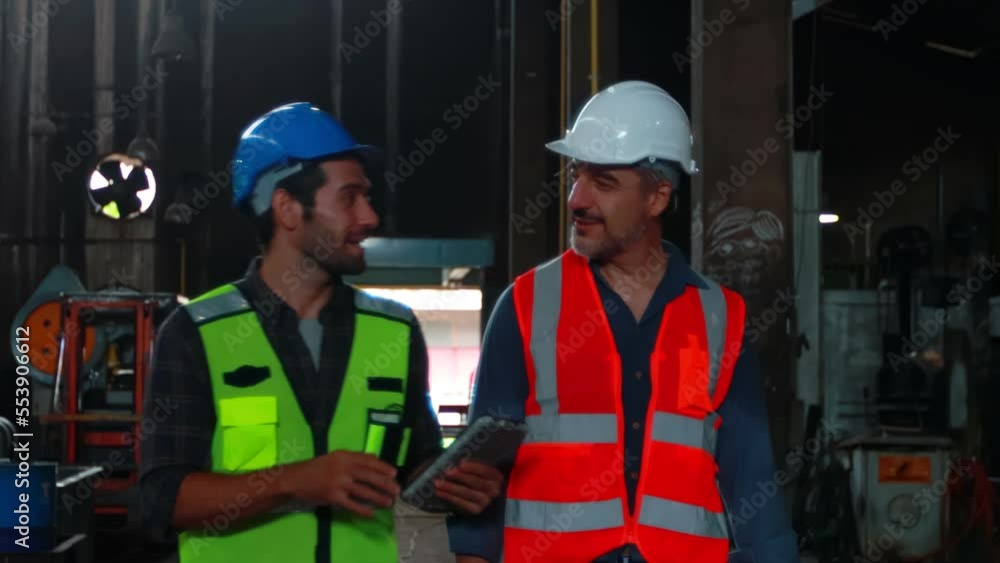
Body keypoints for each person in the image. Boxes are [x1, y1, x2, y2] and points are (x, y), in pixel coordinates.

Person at [446, 82, 800, 562]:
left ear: (657, 198)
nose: (577, 199)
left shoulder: (720, 317)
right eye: (577, 175)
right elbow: (478, 481)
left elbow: (752, 480)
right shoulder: (526, 306)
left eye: (604, 182)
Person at [139, 102, 505, 563]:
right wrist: (295, 482)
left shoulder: (395, 331)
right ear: (288, 208)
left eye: (366, 197)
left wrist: (453, 481)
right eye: (349, 197)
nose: (369, 217)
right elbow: (162, 499)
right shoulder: (195, 333)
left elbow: (415, 466)